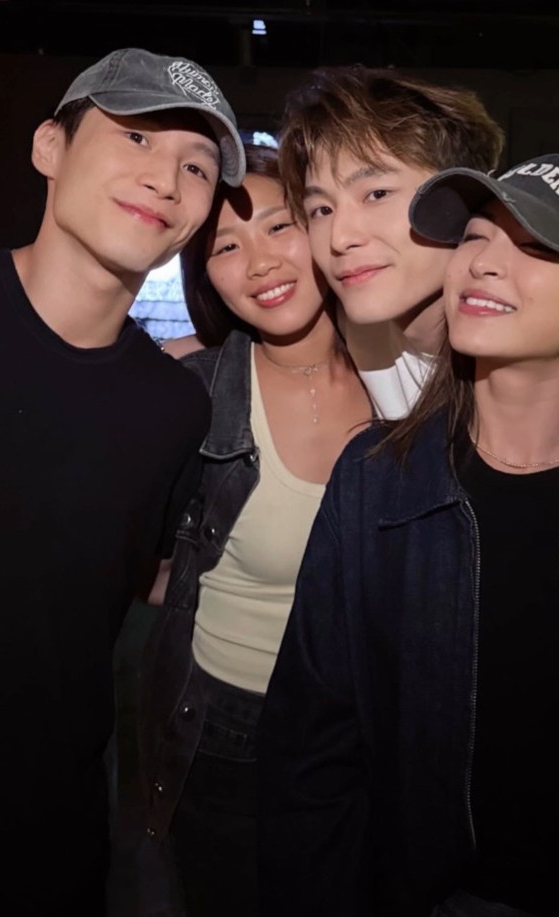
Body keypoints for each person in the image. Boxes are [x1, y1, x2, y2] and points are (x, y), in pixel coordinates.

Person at [258, 152, 559, 917]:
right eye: (476, 236)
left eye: (536, 245)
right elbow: (309, 750)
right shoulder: (375, 477)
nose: (483, 262)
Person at [0, 47, 245, 917]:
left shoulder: (173, 407)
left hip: (48, 840)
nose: (165, 178)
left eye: (196, 166)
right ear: (49, 146)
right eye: (135, 137)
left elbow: (129, 584)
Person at [138, 144, 372, 917]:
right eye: (226, 247)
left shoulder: (410, 381)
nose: (261, 262)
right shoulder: (194, 393)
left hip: (372, 726)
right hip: (226, 730)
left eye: (279, 226)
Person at [278, 65, 559, 418]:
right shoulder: (352, 324)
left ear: (461, 196)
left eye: (377, 194)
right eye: (321, 210)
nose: (340, 238)